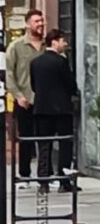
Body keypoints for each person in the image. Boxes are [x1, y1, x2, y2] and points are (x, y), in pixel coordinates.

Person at [30, 29, 79, 193]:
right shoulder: (61, 62)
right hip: (61, 109)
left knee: (44, 144)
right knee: (65, 144)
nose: (65, 44)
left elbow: (33, 86)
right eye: (63, 41)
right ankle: (64, 180)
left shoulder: (35, 62)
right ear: (55, 42)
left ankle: (43, 181)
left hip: (42, 108)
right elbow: (70, 84)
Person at [7, 10, 46, 180]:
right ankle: (24, 174)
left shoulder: (48, 45)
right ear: (28, 24)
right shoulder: (16, 46)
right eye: (37, 21)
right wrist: (17, 95)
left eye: (42, 21)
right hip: (25, 100)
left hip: (45, 101)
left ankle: (45, 174)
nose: (40, 24)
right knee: (26, 139)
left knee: (45, 138)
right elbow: (9, 73)